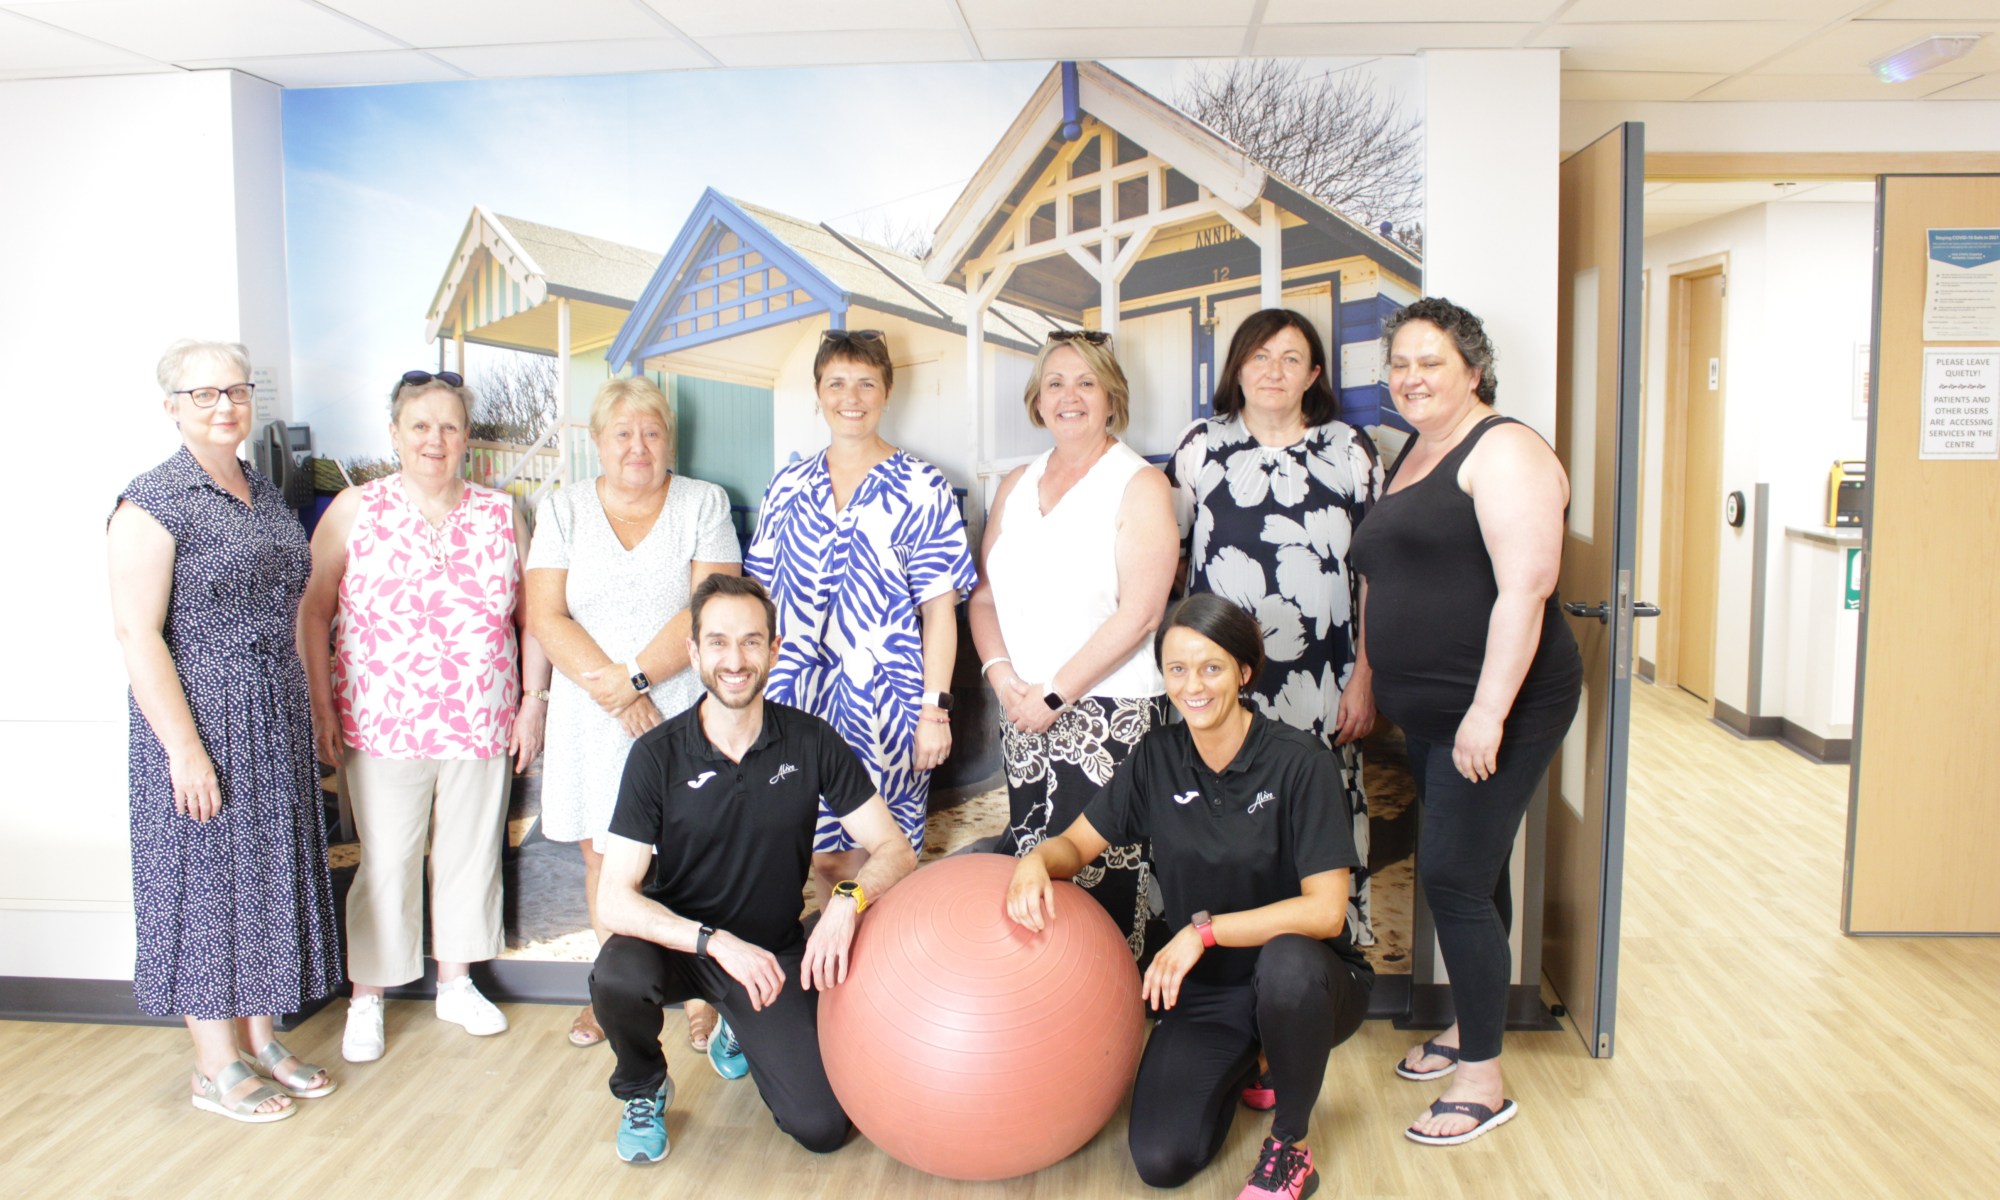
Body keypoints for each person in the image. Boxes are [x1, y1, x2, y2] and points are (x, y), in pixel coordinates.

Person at [1005, 595, 1371, 1200]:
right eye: (1177, 669)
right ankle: (1259, 1060)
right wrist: (1036, 862)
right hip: (1211, 992)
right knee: (1161, 1159)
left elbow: (1326, 911)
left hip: (1312, 981)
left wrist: (1202, 931)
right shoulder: (1157, 760)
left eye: (1211, 667)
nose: (1192, 685)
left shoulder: (1300, 763)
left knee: (1286, 965)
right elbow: (1076, 845)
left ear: (1244, 672)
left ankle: (1291, 1148)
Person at [1348, 297, 1583, 1146]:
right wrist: (1369, 675)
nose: (1411, 378)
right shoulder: (1417, 450)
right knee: (1476, 875)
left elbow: (1527, 588)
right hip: (1431, 709)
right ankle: (1467, 1026)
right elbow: (1384, 578)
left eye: (1431, 362)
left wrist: (1488, 713)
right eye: (1400, 364)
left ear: (1473, 370)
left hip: (1502, 706)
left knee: (1450, 876)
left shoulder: (1506, 448)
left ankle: (1484, 1078)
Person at [588, 574, 918, 1164]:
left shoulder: (811, 741)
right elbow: (614, 900)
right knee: (616, 974)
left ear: (774, 648)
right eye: (717, 642)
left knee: (822, 1128)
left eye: (749, 641)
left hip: (767, 955)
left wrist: (846, 899)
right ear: (693, 654)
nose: (734, 660)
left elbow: (896, 849)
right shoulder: (656, 755)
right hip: (681, 946)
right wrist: (714, 943)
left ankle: (739, 1023)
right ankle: (643, 1088)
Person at [108, 339, 342, 1122]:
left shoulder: (262, 492)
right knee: (206, 887)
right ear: (171, 406)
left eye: (235, 391)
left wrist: (308, 709)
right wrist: (183, 748)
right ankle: (214, 1065)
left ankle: (260, 1039)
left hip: (269, 718)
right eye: (203, 394)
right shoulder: (152, 501)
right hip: (200, 723)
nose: (223, 406)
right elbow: (138, 636)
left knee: (266, 880)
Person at [299, 369, 552, 1063]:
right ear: (395, 433)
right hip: (380, 723)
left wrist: (533, 702)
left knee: (471, 855)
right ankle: (369, 996)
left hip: (480, 719)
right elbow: (313, 611)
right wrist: (321, 705)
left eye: (448, 426)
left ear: (467, 437)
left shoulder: (502, 514)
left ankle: (457, 983)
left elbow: (533, 619)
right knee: (387, 859)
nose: (435, 439)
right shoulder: (355, 509)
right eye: (420, 426)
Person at [525, 375, 740, 1054]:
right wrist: (614, 692)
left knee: (691, 853)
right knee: (603, 855)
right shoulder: (561, 510)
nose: (637, 446)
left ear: (667, 439)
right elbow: (544, 614)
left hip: (679, 705)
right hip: (594, 713)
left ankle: (705, 995)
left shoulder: (702, 502)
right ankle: (614, 992)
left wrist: (638, 679)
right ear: (598, 443)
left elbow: (711, 604)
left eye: (650, 431)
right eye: (622, 432)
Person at [1166, 307, 1384, 952]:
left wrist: (1365, 677)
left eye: (1291, 358)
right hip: (1217, 677)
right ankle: (1214, 941)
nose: (1274, 371)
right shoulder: (1200, 446)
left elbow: (1374, 576)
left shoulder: (1350, 450)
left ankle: (1319, 951)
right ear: (1237, 366)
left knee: (1313, 803)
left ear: (1314, 373)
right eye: (1259, 356)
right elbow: (1174, 560)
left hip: (1322, 672)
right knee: (1219, 801)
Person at [968, 329, 1178, 960]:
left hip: (1107, 716)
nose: (1070, 396)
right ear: (1038, 400)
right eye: (1056, 382)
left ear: (1112, 397)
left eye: (1086, 382)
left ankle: (1116, 1021)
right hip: (1024, 713)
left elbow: (1141, 614)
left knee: (1108, 877)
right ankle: (1053, 1014)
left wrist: (1054, 695)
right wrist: (1006, 681)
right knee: (1037, 871)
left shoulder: (1139, 484)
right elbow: (983, 599)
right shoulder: (1014, 485)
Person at [744, 327, 975, 898]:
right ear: (818, 392)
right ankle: (832, 981)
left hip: (888, 710)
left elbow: (940, 614)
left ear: (887, 391)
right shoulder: (788, 485)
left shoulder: (924, 486)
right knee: (821, 857)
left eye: (866, 383)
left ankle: (877, 985)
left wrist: (935, 711)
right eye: (837, 382)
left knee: (881, 858)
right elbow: (759, 596)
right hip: (794, 703)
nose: (852, 396)